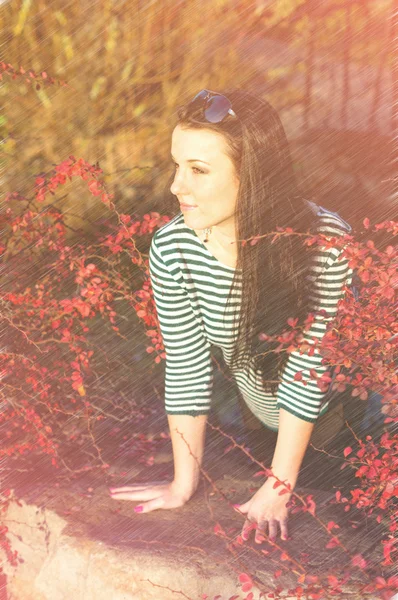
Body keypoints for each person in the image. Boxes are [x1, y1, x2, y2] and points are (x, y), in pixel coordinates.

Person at [109, 89, 352, 544]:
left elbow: (307, 370)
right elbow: (187, 365)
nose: (176, 186)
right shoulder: (174, 248)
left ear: (254, 174)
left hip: (343, 427)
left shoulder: (323, 243)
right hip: (260, 418)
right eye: (177, 165)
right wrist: (184, 484)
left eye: (198, 170)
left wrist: (281, 485)